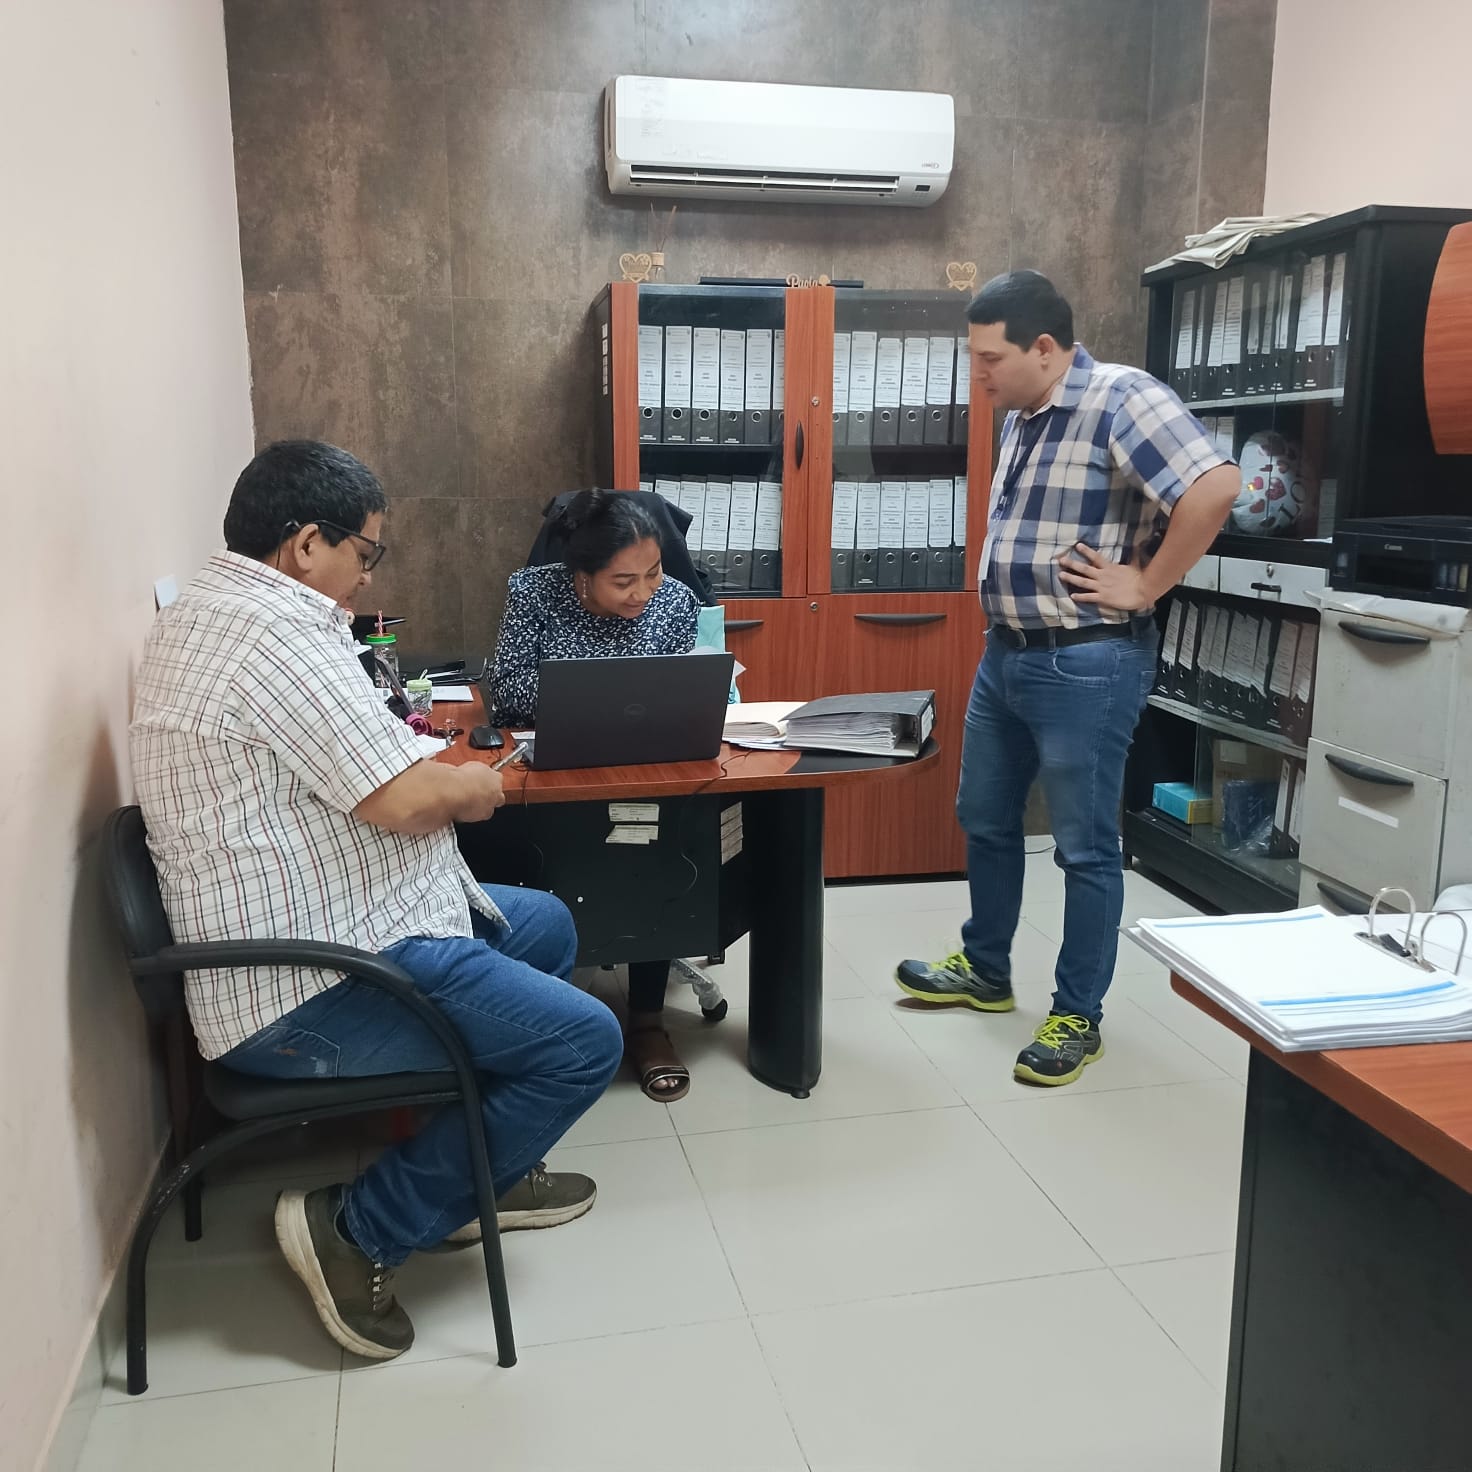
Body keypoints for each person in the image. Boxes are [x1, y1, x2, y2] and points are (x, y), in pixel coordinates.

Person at [130, 440, 623, 1362]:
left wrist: (431, 774)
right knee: (584, 1044)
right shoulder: (273, 639)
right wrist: (475, 786)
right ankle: (359, 1228)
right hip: (302, 987)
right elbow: (404, 801)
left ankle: (478, 1172)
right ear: (305, 544)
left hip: (330, 920)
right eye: (365, 551)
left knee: (543, 924)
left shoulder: (216, 609)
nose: (367, 574)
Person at [896, 271, 1239, 1086]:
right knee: (985, 817)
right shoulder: (1025, 414)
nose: (978, 374)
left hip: (1088, 659)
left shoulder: (1121, 397)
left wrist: (1147, 583)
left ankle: (1078, 1014)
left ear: (1044, 348)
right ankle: (986, 970)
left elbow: (1217, 484)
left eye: (990, 358)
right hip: (1008, 655)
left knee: (1085, 847)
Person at [486, 488, 702, 1101]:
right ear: (582, 575)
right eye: (623, 581)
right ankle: (540, 1014)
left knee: (658, 861)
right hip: (553, 773)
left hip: (648, 771)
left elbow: (684, 688)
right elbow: (508, 692)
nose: (644, 592)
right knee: (536, 863)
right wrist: (591, 689)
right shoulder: (535, 592)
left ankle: (648, 1021)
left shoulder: (676, 601)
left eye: (653, 572)